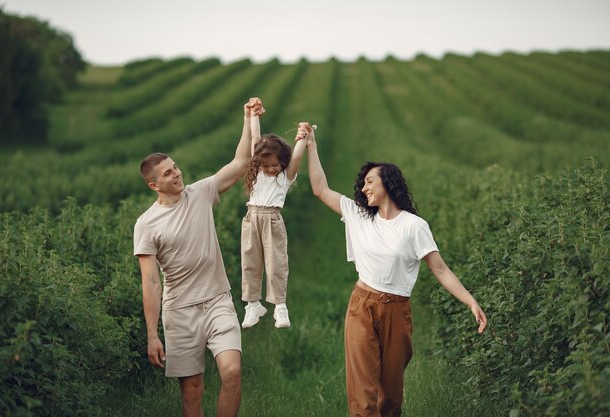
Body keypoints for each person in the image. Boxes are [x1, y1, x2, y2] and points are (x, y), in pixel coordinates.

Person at [299, 122, 488, 417]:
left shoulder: (414, 226)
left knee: (390, 400)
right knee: (363, 399)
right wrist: (311, 144)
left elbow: (440, 269)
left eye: (370, 181)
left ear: (388, 182)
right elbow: (320, 189)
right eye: (362, 184)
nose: (364, 188)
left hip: (397, 313)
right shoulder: (359, 216)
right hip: (362, 306)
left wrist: (470, 301)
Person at [133, 97, 265, 417]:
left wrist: (248, 119)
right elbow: (151, 282)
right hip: (179, 312)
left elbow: (240, 162)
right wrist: (153, 335)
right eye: (167, 173)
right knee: (192, 391)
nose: (176, 174)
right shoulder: (146, 224)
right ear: (154, 185)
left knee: (232, 372)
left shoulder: (200, 193)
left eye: (175, 167)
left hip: (217, 299)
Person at [239, 111, 307, 329]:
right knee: (250, 262)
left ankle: (280, 306)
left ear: (282, 163)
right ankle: (253, 305)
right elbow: (256, 138)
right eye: (266, 165)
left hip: (272, 219)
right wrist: (254, 114)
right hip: (251, 218)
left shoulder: (284, 177)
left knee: (276, 264)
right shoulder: (257, 170)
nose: (270, 169)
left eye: (274, 165)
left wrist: (302, 138)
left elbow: (296, 157)